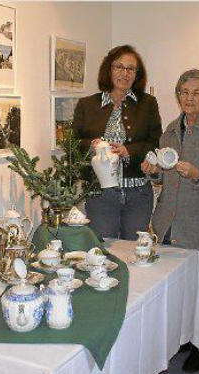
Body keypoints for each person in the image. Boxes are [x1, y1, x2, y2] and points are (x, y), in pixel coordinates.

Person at [141, 69, 199, 372]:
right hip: (168, 222)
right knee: (174, 288)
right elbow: (165, 174)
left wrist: (197, 174)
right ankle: (181, 338)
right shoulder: (170, 128)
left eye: (196, 93)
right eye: (184, 91)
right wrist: (154, 172)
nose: (189, 98)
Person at [72, 45, 162, 240]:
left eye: (131, 69)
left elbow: (155, 143)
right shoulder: (87, 105)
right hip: (100, 194)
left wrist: (128, 150)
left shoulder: (148, 104)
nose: (125, 73)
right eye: (119, 67)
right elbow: (72, 146)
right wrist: (92, 146)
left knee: (135, 251)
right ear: (108, 69)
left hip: (137, 193)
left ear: (137, 74)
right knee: (103, 251)